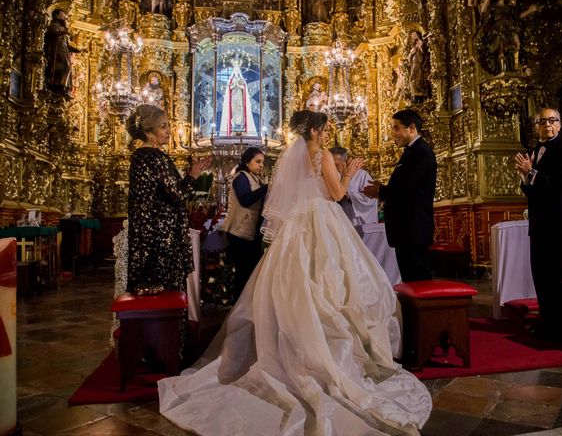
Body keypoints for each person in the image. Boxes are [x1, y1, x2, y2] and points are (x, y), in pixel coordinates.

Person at [158, 110, 432, 435]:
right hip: (324, 223)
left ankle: (293, 342)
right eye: (326, 128)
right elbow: (337, 194)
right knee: (337, 284)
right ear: (316, 130)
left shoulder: (295, 155)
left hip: (297, 227)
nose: (328, 134)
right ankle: (330, 350)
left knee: (298, 285)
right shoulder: (324, 155)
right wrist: (350, 173)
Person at [126, 104, 210, 295]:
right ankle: (170, 325)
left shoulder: (141, 156)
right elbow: (177, 195)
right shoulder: (154, 157)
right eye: (163, 126)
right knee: (166, 290)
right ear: (149, 133)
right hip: (161, 237)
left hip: (150, 233)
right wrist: (192, 177)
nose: (168, 131)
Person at [514, 108, 562, 341]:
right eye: (542, 121)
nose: (548, 125)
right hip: (539, 224)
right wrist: (525, 177)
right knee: (540, 275)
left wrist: (531, 172)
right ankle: (547, 322)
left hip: (558, 225)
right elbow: (532, 189)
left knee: (557, 278)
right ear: (536, 126)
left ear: (560, 125)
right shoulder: (534, 150)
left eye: (552, 121)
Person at [363, 109, 437, 282]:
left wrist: (380, 192)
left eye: (396, 128)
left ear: (411, 128)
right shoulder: (411, 152)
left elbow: (408, 189)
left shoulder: (421, 153)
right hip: (407, 229)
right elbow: (405, 185)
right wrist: (383, 188)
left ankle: (422, 309)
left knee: (418, 278)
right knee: (410, 278)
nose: (393, 133)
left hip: (414, 227)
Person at [222, 147, 268, 301]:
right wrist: (266, 188)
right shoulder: (241, 177)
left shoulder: (256, 178)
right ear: (247, 162)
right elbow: (245, 200)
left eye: (263, 162)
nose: (261, 165)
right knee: (242, 273)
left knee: (249, 272)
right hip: (239, 232)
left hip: (251, 233)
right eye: (258, 161)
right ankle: (237, 308)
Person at [330, 147, 377, 226]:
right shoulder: (331, 178)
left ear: (345, 162)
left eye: (336, 164)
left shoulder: (361, 175)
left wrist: (350, 196)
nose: (333, 168)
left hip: (358, 221)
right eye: (330, 165)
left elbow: (371, 198)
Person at [44, 9, 82, 96]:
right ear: (56, 16)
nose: (65, 17)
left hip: (63, 52)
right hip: (56, 53)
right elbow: (53, 34)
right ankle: (56, 85)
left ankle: (63, 86)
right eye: (62, 15)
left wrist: (77, 50)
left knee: (67, 68)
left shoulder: (62, 29)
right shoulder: (53, 25)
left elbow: (67, 45)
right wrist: (63, 32)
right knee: (60, 68)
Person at [219, 59, 256, 136]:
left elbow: (244, 88)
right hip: (233, 97)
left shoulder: (241, 80)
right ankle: (234, 124)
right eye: (234, 71)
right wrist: (233, 85)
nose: (236, 73)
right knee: (233, 110)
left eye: (237, 71)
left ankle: (240, 124)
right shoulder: (231, 80)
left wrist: (238, 85)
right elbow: (229, 88)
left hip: (240, 97)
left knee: (240, 109)